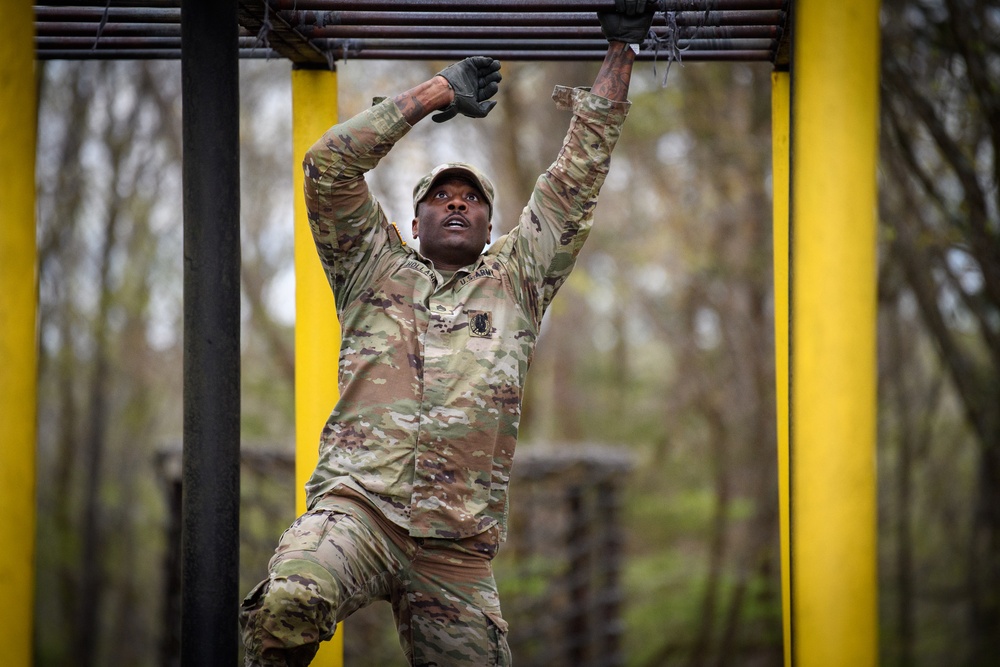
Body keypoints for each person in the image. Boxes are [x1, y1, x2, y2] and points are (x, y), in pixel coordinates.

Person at [241, 3, 657, 665]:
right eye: (441, 195)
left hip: (456, 549)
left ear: (491, 227)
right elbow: (327, 168)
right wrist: (432, 93)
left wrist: (623, 51)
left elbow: (575, 180)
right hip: (358, 513)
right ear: (414, 221)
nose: (457, 201)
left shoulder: (517, 281)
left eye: (472, 198)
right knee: (291, 600)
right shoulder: (369, 267)